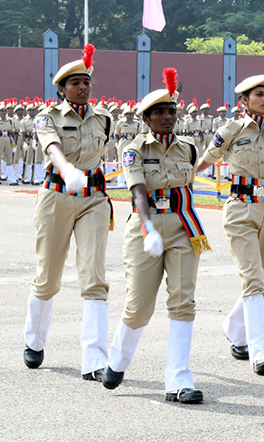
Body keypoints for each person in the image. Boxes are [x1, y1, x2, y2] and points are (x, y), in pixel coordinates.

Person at [194, 56, 264, 376]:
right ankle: (260, 352)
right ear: (244, 100)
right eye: (259, 94)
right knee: (253, 279)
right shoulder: (230, 129)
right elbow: (207, 159)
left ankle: (234, 326)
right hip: (240, 207)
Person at [102, 68, 208, 403]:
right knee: (139, 306)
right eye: (159, 112)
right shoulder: (132, 149)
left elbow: (187, 186)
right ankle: (118, 359)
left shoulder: (189, 148)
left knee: (183, 301)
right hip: (145, 228)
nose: (166, 117)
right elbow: (137, 192)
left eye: (170, 111)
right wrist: (148, 227)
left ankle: (178, 379)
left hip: (182, 226)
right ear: (146, 118)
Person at [23, 45, 115, 381]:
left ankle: (94, 358)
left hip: (93, 199)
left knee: (94, 277)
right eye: (75, 83)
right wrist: (66, 170)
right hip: (57, 196)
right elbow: (52, 147)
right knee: (48, 276)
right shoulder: (47, 117)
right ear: (61, 88)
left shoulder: (104, 118)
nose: (83, 87)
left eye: (86, 82)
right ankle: (34, 339)